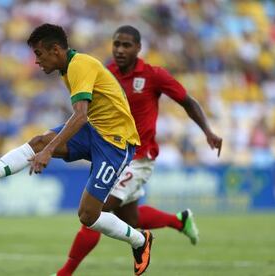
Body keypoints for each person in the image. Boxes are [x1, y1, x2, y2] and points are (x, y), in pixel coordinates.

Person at [0, 23, 153, 275]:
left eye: (38, 54)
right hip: (96, 131)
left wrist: (48, 153)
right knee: (38, 142)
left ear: (55, 50)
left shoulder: (80, 65)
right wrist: (45, 149)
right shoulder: (68, 68)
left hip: (116, 143)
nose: (36, 61)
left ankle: (140, 241)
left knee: (88, 215)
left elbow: (80, 117)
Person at [54, 25, 223, 276]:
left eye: (126, 45)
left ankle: (64, 273)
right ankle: (179, 220)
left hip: (138, 158)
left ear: (138, 48)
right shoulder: (105, 72)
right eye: (116, 44)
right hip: (112, 153)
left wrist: (208, 131)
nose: (120, 50)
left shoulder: (154, 75)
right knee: (129, 220)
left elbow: (187, 101)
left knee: (94, 211)